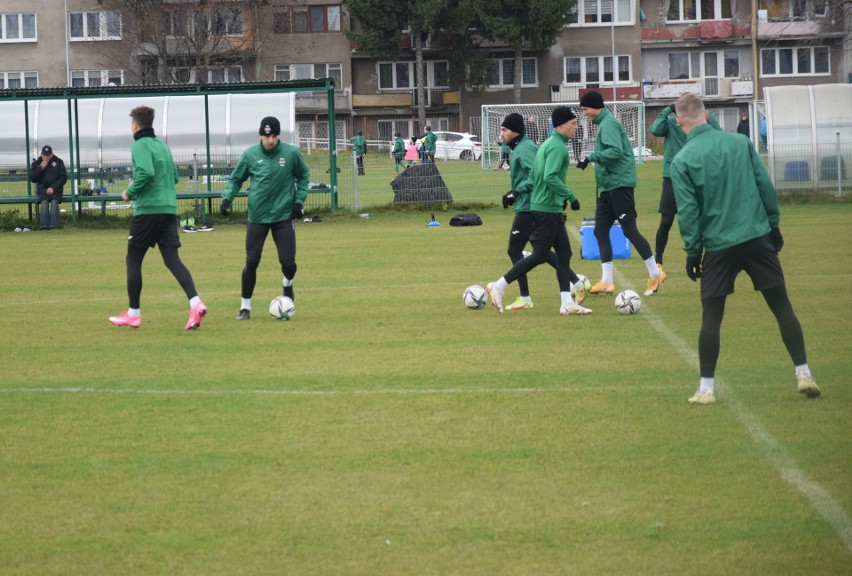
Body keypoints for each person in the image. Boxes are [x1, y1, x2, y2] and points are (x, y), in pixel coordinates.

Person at [670, 92, 819, 405]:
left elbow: (688, 211)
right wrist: (773, 226)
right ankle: (803, 373)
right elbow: (765, 186)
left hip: (718, 246)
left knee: (711, 317)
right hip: (755, 236)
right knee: (782, 306)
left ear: (680, 122)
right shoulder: (740, 144)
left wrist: (692, 253)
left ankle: (707, 389)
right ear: (707, 115)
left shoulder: (682, 160)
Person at [486, 107, 591, 316]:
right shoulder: (557, 148)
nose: (576, 127)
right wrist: (570, 197)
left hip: (546, 207)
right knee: (540, 254)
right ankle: (499, 286)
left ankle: (567, 302)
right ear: (560, 125)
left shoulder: (546, 145)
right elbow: (550, 176)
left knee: (564, 254)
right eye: (573, 123)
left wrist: (517, 191)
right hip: (546, 208)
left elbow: (533, 175)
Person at [109, 106, 207, 331]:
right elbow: (173, 176)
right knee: (172, 259)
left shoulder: (139, 145)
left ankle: (133, 314)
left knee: (133, 259)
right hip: (168, 209)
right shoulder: (162, 145)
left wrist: (129, 192)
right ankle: (195, 303)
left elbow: (145, 172)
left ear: (135, 125)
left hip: (148, 211)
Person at [220, 116, 310, 321]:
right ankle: (245, 308)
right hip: (257, 217)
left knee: (289, 263)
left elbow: (304, 176)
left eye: (274, 136)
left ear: (279, 136)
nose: (270, 140)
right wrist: (227, 199)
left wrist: (298, 202)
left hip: (283, 216)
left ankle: (287, 283)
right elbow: (235, 179)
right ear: (261, 134)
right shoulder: (250, 155)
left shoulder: (291, 153)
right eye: (267, 135)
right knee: (251, 261)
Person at [577, 90, 661, 296]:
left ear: (596, 107)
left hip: (619, 185)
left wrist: (590, 158)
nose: (584, 114)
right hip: (608, 187)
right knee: (599, 231)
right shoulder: (603, 125)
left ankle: (655, 273)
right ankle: (607, 280)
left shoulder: (609, 124)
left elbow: (615, 152)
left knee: (629, 230)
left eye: (585, 109)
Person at [645, 102, 721, 296]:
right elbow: (655, 129)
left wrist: (704, 112)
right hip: (671, 176)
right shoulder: (671, 123)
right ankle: (658, 262)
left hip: (696, 174)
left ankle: (704, 259)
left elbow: (717, 133)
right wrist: (667, 109)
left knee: (700, 219)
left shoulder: (702, 121)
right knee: (667, 219)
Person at [29, 145, 68, 230]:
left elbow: (63, 177)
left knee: (54, 202)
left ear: (51, 154)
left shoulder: (59, 162)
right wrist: (41, 168)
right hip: (42, 190)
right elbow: (32, 178)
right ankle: (44, 226)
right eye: (44, 155)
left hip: (56, 190)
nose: (46, 157)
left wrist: (53, 187)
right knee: (44, 203)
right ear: (41, 155)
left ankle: (54, 226)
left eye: (48, 155)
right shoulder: (36, 163)